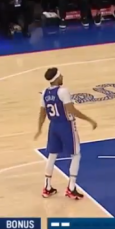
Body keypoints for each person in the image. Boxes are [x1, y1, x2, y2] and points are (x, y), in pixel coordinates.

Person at [34, 68, 98, 200]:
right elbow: (71, 110)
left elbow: (42, 114)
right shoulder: (63, 91)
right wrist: (89, 120)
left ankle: (47, 187)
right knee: (76, 155)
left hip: (53, 126)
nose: (62, 76)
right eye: (60, 75)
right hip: (66, 126)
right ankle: (71, 188)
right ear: (57, 78)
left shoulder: (44, 93)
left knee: (52, 155)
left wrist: (39, 129)